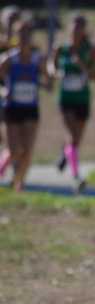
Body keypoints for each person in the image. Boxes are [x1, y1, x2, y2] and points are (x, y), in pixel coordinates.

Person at [49, 13, 95, 193]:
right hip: (66, 99)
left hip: (83, 99)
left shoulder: (90, 50)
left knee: (76, 141)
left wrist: (83, 67)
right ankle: (76, 176)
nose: (77, 29)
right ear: (69, 27)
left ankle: (65, 155)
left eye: (80, 26)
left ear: (84, 29)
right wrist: (56, 73)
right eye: (74, 25)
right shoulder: (61, 48)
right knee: (71, 136)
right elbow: (51, 66)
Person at [0, 14, 51, 192]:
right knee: (14, 150)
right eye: (20, 34)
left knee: (27, 152)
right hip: (12, 108)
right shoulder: (8, 59)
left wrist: (44, 81)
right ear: (15, 36)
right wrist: (4, 91)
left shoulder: (38, 60)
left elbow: (48, 83)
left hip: (30, 108)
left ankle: (18, 183)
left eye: (27, 34)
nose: (23, 38)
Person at [0, 5, 20, 181]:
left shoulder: (20, 45)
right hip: (3, 96)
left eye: (15, 19)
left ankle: (14, 173)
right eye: (9, 20)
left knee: (13, 143)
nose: (12, 23)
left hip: (14, 101)